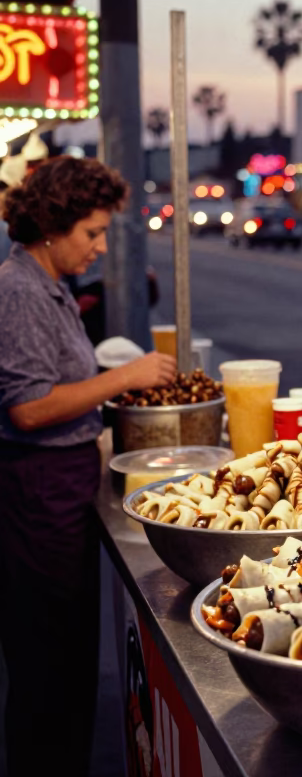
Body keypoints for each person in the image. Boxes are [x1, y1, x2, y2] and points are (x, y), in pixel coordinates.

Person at [0, 156, 177, 776]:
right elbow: (26, 407)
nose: (100, 247)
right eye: (92, 233)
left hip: (62, 496)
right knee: (48, 676)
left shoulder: (49, 285)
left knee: (70, 670)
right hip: (37, 501)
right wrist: (121, 378)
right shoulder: (18, 289)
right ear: (51, 225)